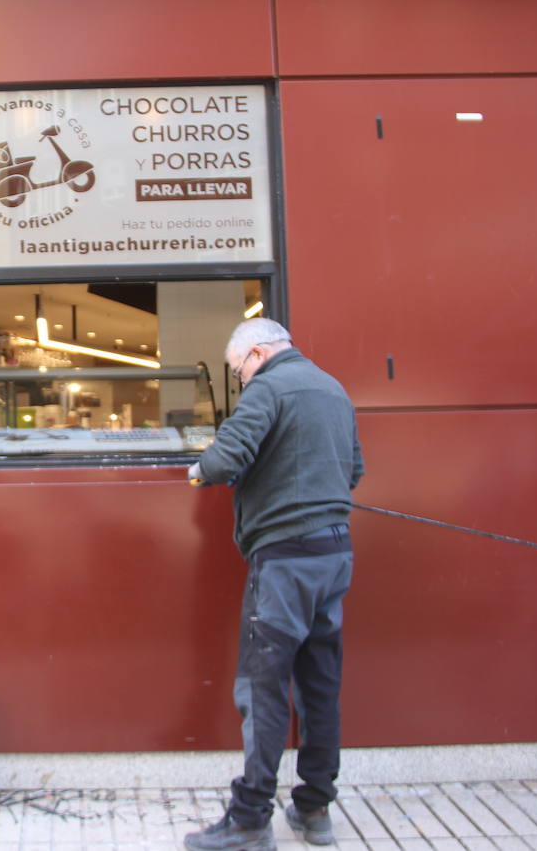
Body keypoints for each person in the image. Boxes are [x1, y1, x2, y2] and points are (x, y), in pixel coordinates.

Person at [183, 318, 364, 851]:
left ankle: (250, 818)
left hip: (286, 559)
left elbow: (225, 457)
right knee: (319, 683)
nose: (241, 382)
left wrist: (198, 471)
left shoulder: (269, 387)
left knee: (262, 688)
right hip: (335, 555)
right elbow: (354, 469)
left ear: (256, 354)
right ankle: (314, 810)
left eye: (238, 372)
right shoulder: (332, 387)